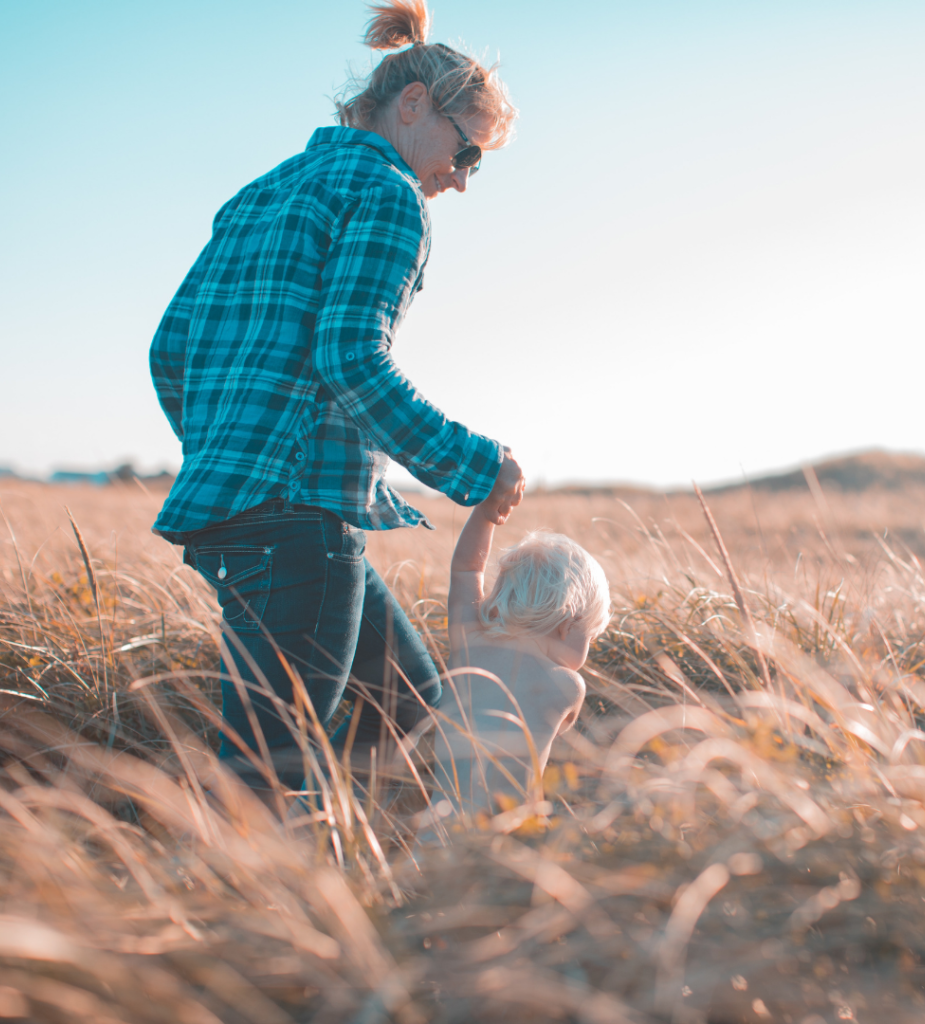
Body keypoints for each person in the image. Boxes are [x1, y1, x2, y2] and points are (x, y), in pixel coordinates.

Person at [148, 0, 523, 793]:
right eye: (469, 154)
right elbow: (351, 358)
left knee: (417, 720)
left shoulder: (262, 191)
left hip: (238, 510)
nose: (461, 180)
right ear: (415, 105)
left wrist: (229, 454)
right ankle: (229, 908)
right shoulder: (390, 195)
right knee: (266, 780)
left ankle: (410, 898)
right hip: (297, 522)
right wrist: (475, 466)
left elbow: (169, 351)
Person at [434, 509, 611, 815]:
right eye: (590, 637)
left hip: (435, 828)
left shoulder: (469, 643)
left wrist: (486, 513)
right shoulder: (568, 685)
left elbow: (467, 570)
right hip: (504, 834)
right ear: (567, 625)